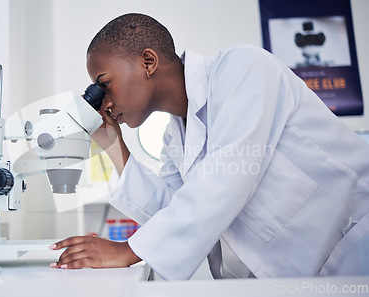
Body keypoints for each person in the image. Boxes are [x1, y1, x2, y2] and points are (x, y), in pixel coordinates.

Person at [49, 13, 369, 280]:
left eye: (104, 84)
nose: (102, 101)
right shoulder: (174, 137)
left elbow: (226, 179)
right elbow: (171, 208)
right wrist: (113, 145)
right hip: (287, 278)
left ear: (148, 61)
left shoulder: (242, 68)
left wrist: (130, 251)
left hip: (350, 256)